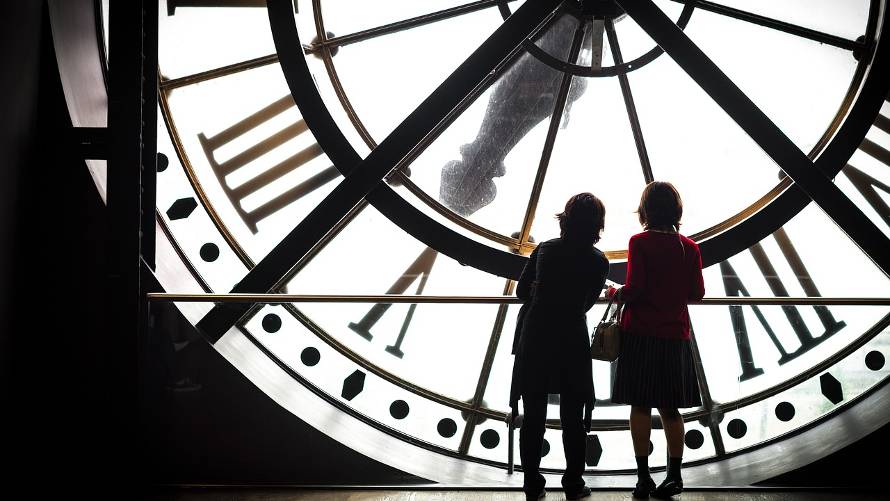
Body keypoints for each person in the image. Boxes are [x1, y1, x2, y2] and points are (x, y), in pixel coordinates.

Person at [510, 193, 610, 501]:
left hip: (536, 336)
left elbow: (521, 293)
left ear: (565, 219)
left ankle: (532, 483)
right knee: (573, 418)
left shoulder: (544, 250)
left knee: (533, 416)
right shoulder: (598, 261)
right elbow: (587, 303)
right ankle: (573, 483)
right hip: (571, 339)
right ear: (597, 225)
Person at [610, 181, 705, 498]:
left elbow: (634, 288)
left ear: (645, 210)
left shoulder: (639, 242)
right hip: (675, 334)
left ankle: (643, 477)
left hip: (640, 334)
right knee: (670, 409)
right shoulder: (689, 248)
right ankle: (674, 475)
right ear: (677, 211)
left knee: (640, 407)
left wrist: (615, 293)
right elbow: (696, 294)